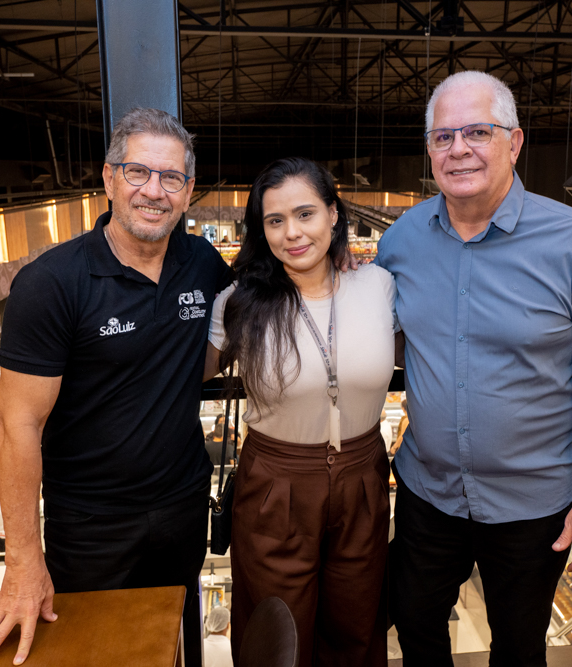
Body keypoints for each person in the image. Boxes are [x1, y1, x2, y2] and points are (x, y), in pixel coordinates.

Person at [375, 70, 572, 667]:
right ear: (429, 150)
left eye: (477, 132)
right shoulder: (402, 240)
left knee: (519, 648)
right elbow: (381, 339)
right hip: (427, 492)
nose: (459, 149)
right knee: (413, 628)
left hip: (533, 507)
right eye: (444, 137)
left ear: (514, 143)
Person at [0, 108, 234, 667]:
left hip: (182, 505)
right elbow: (19, 425)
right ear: (109, 178)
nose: (153, 191)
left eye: (170, 178)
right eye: (138, 172)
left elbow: (209, 353)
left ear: (189, 193)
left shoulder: (202, 263)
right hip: (90, 524)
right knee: (94, 651)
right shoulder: (51, 284)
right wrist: (22, 562)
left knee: (173, 641)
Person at [205, 157, 397, 666]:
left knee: (356, 628)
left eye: (306, 214)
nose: (292, 233)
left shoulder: (377, 287)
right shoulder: (240, 303)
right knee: (278, 635)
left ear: (334, 214)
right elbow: (180, 372)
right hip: (275, 484)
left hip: (364, 478)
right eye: (274, 220)